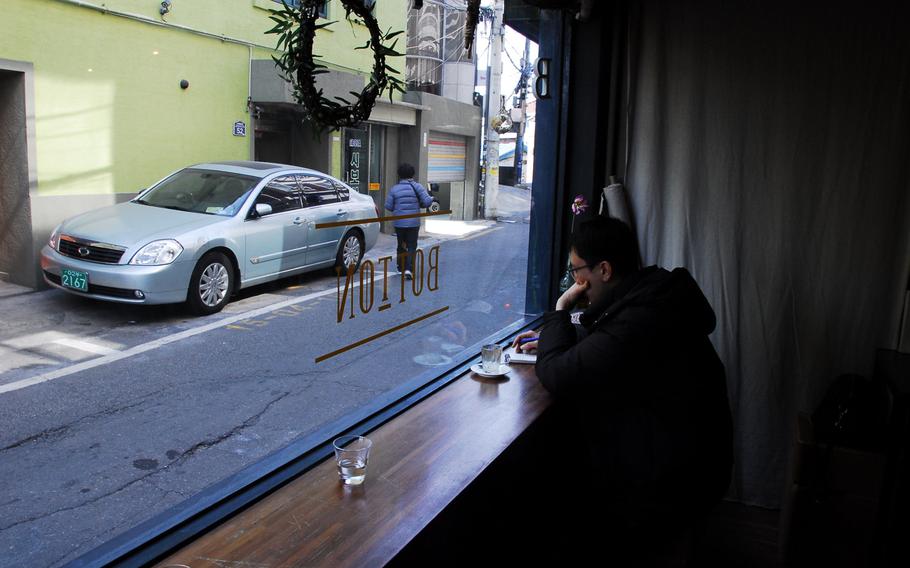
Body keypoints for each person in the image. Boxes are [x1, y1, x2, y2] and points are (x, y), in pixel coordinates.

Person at [512, 216, 733, 564]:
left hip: (673, 479)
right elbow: (613, 338)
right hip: (697, 456)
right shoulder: (656, 294)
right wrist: (557, 338)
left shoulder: (641, 318)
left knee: (550, 496)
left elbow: (558, 374)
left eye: (576, 271)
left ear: (603, 269)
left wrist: (559, 310)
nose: (575, 280)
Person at [385, 163, 433, 279]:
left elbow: (388, 206)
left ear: (399, 175)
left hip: (399, 223)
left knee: (401, 244)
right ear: (412, 174)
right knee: (412, 245)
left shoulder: (394, 189)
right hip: (413, 223)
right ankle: (409, 269)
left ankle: (400, 268)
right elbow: (426, 203)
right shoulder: (418, 187)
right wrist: (431, 198)